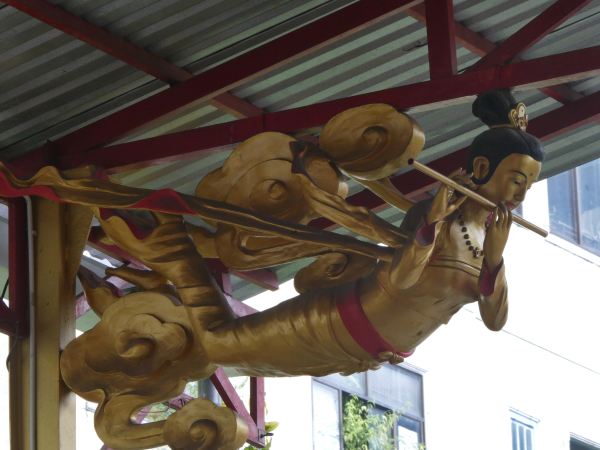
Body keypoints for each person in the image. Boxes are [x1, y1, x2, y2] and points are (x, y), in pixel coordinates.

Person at [199, 89, 544, 376]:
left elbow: (495, 320)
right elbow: (403, 278)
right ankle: (176, 249)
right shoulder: (434, 217)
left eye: (528, 185)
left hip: (367, 352)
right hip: (337, 321)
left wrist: (495, 260)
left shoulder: (489, 242)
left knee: (220, 353)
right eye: (517, 181)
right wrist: (432, 223)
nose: (521, 194)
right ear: (481, 167)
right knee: (215, 345)